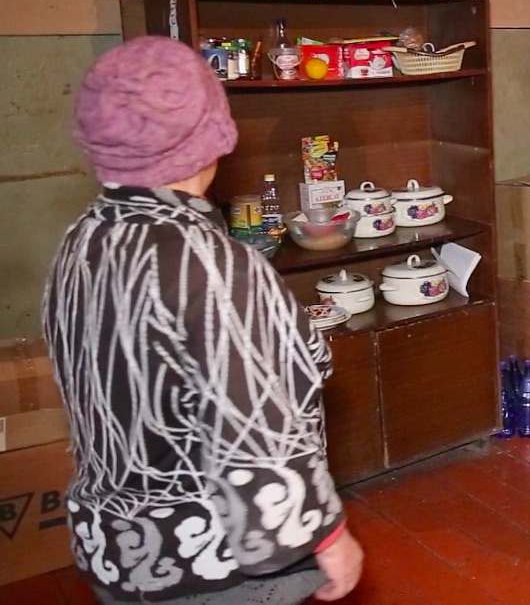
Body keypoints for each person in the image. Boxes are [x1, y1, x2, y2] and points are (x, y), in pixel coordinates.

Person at [41, 36, 363, 604]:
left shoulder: (82, 240)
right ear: (211, 136)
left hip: (113, 547)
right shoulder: (217, 265)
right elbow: (257, 426)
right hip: (210, 558)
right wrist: (327, 534)